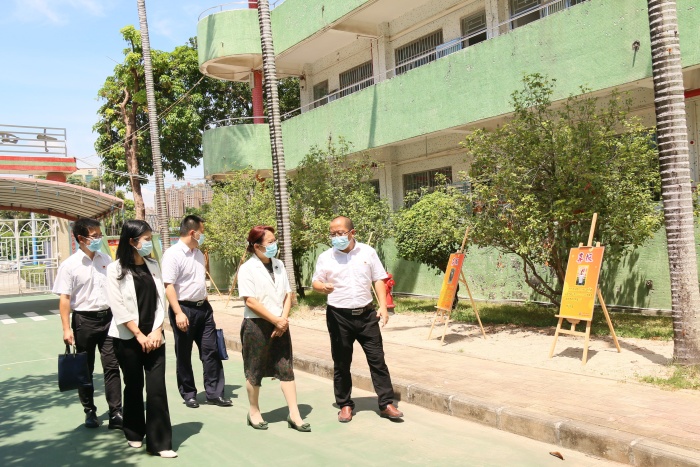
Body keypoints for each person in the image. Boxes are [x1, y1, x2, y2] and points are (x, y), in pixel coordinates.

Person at [312, 216, 404, 423]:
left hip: (366, 315)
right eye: (332, 234)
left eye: (340, 233)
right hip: (338, 316)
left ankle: (386, 404)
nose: (336, 237)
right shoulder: (326, 257)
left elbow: (378, 279)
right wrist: (323, 287)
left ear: (352, 233)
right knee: (342, 362)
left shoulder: (367, 252)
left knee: (377, 360)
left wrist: (383, 307)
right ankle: (345, 404)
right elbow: (315, 282)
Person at [106, 220, 176, 458]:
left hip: (155, 337)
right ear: (132, 241)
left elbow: (160, 301)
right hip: (128, 338)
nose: (149, 242)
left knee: (156, 389)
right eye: (146, 238)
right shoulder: (114, 270)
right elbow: (118, 307)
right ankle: (134, 431)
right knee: (134, 386)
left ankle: (161, 443)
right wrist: (138, 334)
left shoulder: (153, 265)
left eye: (150, 237)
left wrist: (157, 330)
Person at [237, 226, 310, 432]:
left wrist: (282, 320)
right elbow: (250, 301)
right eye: (270, 242)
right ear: (257, 246)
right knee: (254, 369)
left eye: (274, 240)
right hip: (256, 325)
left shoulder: (279, 264)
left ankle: (294, 414)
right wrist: (275, 320)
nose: (274, 245)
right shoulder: (247, 268)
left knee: (286, 368)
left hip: (280, 323)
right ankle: (254, 411)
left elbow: (287, 294)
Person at [52, 217, 122, 429]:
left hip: (108, 319)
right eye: (94, 236)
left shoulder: (105, 259)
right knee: (85, 368)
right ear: (81, 238)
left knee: (112, 366)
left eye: (100, 235)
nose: (99, 239)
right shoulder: (69, 266)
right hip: (84, 321)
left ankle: (116, 412)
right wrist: (66, 328)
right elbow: (65, 299)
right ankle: (89, 411)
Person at [162, 215, 231, 408]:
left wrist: (206, 303)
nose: (203, 235)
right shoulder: (172, 254)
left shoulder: (199, 253)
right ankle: (189, 394)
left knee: (211, 350)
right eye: (202, 232)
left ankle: (214, 393)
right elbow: (169, 286)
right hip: (183, 309)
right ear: (193, 232)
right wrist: (178, 313)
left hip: (204, 309)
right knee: (184, 354)